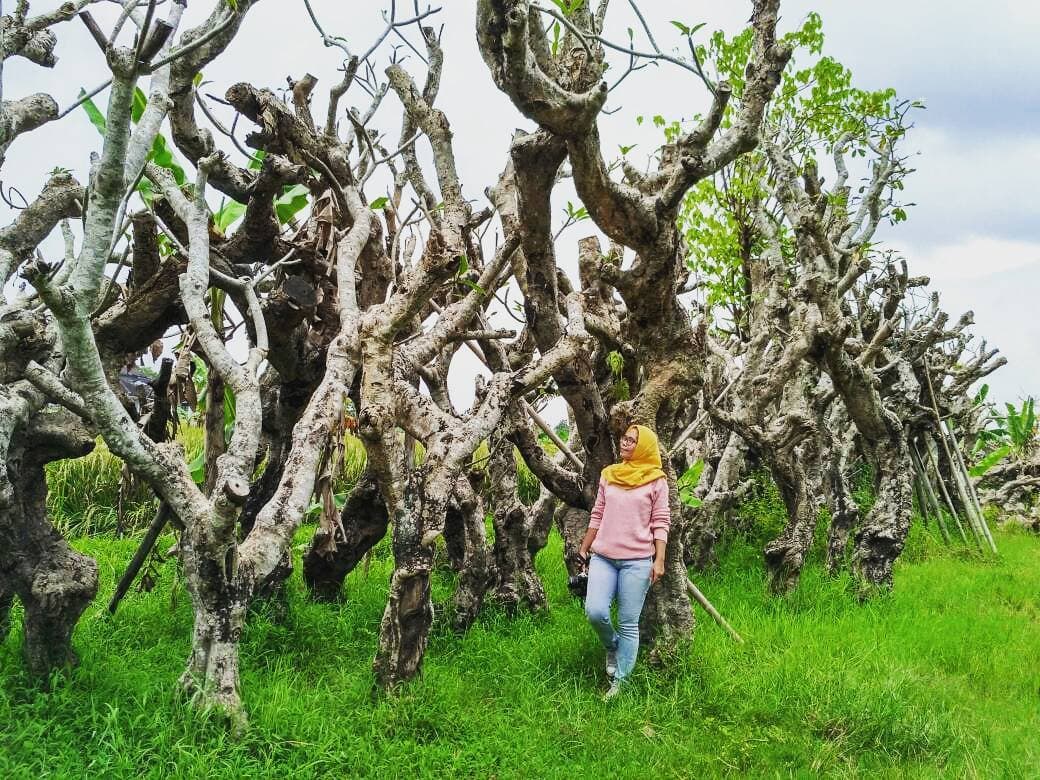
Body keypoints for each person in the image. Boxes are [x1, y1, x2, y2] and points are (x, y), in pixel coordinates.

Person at [578, 423, 670, 699]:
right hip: (603, 557)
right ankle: (612, 646)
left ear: (644, 446)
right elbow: (598, 513)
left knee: (629, 622)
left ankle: (620, 682)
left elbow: (661, 522)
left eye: (632, 441)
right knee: (595, 611)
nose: (625, 443)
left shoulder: (656, 480)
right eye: (624, 439)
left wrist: (660, 560)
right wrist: (585, 548)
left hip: (638, 561)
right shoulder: (610, 475)